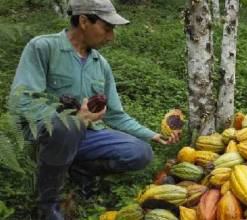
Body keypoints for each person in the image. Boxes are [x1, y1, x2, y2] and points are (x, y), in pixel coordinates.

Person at [9, 0, 180, 219]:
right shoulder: (43, 47)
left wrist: (153, 135)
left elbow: (116, 115)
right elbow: (22, 100)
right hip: (47, 133)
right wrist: (73, 119)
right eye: (106, 29)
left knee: (140, 152)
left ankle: (80, 169)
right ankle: (47, 203)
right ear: (83, 21)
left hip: (85, 134)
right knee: (67, 127)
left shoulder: (100, 64)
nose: (111, 37)